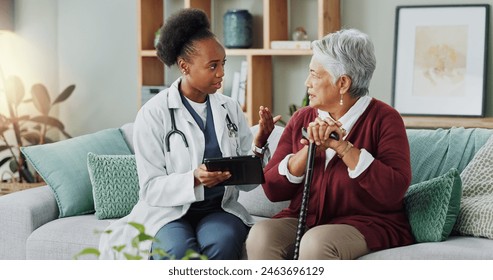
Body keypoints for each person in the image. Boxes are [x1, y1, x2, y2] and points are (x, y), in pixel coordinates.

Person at [98, 8, 280, 260]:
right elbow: (150, 189)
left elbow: (248, 185)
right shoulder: (153, 113)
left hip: (218, 209)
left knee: (223, 242)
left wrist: (259, 145)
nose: (221, 73)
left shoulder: (229, 107)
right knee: (179, 252)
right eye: (212, 66)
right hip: (168, 212)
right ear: (184, 66)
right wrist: (193, 178)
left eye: (223, 63)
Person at [245, 29, 414, 260]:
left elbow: (394, 191)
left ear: (342, 83)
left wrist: (343, 148)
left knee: (315, 243)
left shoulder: (385, 119)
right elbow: (272, 190)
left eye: (315, 75)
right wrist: (309, 150)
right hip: (306, 218)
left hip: (366, 223)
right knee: (261, 235)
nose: (307, 83)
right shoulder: (302, 118)